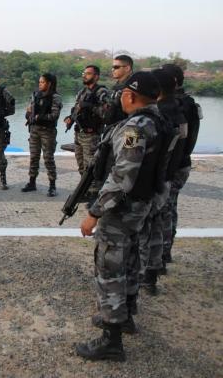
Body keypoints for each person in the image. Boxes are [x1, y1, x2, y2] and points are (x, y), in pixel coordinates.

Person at [76, 72, 164, 362]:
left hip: (122, 209)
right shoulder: (158, 121)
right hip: (141, 206)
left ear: (130, 96)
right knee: (129, 261)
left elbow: (122, 175)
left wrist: (94, 212)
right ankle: (125, 316)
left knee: (110, 268)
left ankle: (111, 340)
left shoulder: (136, 127)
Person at [137, 68, 186, 295]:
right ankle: (155, 271)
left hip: (157, 178)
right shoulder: (180, 110)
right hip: (168, 175)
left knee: (148, 228)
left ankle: (145, 274)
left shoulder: (156, 116)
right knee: (160, 224)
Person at [159, 63, 202, 269]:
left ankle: (160, 256)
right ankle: (164, 253)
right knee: (170, 208)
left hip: (173, 166)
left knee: (164, 210)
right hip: (181, 164)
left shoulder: (176, 106)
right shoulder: (188, 104)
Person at [64, 65, 108, 201]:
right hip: (79, 132)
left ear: (96, 76)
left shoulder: (102, 92)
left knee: (91, 165)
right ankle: (86, 191)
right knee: (81, 165)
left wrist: (90, 107)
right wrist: (70, 117)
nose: (85, 75)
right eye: (84, 73)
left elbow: (106, 112)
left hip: (91, 134)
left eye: (88, 74)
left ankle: (94, 193)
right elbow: (76, 108)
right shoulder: (82, 92)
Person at [21, 73, 62, 196]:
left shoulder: (55, 97)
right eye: (39, 82)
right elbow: (28, 112)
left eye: (42, 82)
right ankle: (32, 182)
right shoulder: (35, 95)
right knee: (33, 157)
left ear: (49, 83)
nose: (40, 84)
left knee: (48, 158)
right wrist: (29, 115)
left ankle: (52, 186)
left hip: (47, 131)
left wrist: (39, 116)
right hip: (34, 130)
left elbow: (54, 115)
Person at [102, 55, 134, 127]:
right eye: (112, 67)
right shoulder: (117, 86)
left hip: (125, 129)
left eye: (116, 67)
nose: (112, 70)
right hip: (112, 129)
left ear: (127, 68)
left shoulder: (133, 87)